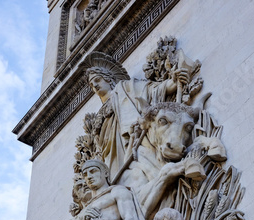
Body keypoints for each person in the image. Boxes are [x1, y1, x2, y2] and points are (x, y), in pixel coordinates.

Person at [79, 52, 190, 182]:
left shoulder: (125, 88)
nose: (95, 86)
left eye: (97, 80)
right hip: (109, 156)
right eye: (92, 85)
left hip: (130, 142)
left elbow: (151, 90)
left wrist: (173, 81)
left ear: (108, 78)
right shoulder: (99, 114)